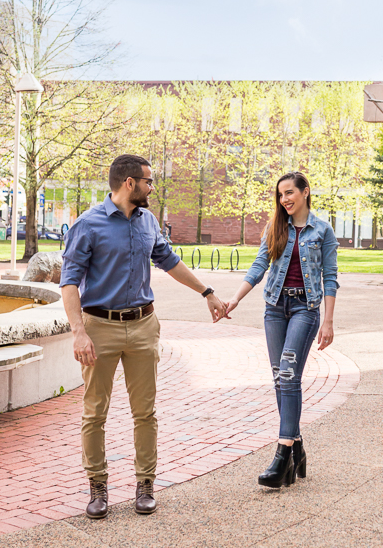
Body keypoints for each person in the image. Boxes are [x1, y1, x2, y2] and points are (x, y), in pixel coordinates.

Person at [60, 153, 227, 520]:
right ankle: (98, 487)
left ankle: (145, 484)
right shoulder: (87, 225)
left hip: (143, 325)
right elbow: (69, 282)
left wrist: (208, 293)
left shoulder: (148, 221)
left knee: (145, 412)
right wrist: (79, 334)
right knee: (94, 412)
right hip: (98, 327)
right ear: (129, 183)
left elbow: (169, 262)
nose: (153, 187)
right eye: (149, 181)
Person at [226, 171, 338, 487]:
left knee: (289, 375)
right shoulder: (276, 227)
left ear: (305, 192)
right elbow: (259, 266)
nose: (284, 199)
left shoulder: (323, 230)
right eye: (280, 195)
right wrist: (235, 299)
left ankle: (282, 452)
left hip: (305, 309)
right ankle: (297, 446)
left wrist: (328, 321)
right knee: (280, 378)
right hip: (275, 309)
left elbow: (330, 277)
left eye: (289, 192)